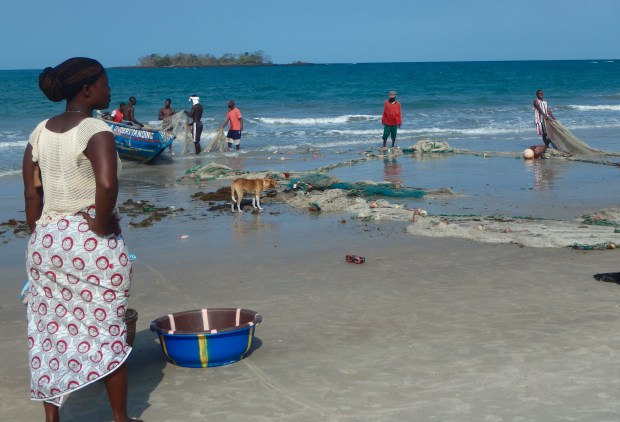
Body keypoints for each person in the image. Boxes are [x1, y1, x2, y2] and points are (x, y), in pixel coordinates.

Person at [22, 57, 142, 422]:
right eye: (106, 84)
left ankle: (51, 418)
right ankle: (120, 418)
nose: (110, 90)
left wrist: (41, 234)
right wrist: (102, 226)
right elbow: (107, 185)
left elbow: (31, 196)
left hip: (46, 241)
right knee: (107, 329)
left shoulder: (39, 132)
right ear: (88, 90)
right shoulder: (95, 130)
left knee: (47, 329)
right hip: (88, 242)